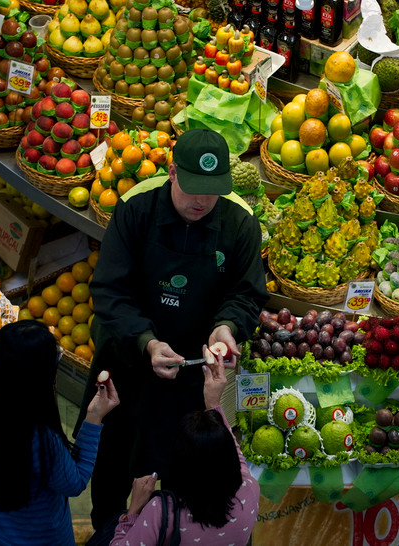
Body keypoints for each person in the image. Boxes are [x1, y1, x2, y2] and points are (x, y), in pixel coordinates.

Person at [76, 128, 268, 528]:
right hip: (128, 364)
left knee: (182, 480)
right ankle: (108, 531)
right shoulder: (136, 207)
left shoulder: (239, 223)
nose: (201, 201)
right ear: (171, 172)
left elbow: (247, 294)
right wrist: (146, 342)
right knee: (115, 467)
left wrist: (226, 328)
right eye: (193, 187)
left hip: (195, 377)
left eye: (212, 190)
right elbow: (110, 290)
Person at [0, 320, 119, 545]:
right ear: (39, 375)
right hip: (38, 536)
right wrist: (93, 417)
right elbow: (75, 483)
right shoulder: (39, 437)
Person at [109, 356, 259, 546]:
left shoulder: (161, 512)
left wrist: (134, 511)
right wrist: (213, 403)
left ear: (179, 464)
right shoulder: (249, 489)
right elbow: (234, 451)